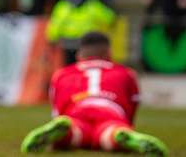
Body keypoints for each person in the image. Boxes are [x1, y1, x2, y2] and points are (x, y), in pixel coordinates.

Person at [21, 32, 168, 155]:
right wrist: (126, 125)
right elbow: (133, 105)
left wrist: (62, 120)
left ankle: (67, 131)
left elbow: (57, 107)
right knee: (108, 134)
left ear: (79, 54)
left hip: (76, 110)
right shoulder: (126, 73)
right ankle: (119, 135)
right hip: (110, 110)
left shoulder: (62, 74)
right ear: (108, 53)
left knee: (76, 134)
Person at [46, 0, 115, 64]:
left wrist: (52, 38)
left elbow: (56, 24)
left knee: (70, 67)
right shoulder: (92, 5)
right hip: (86, 44)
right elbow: (110, 18)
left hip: (68, 44)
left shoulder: (64, 6)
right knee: (87, 66)